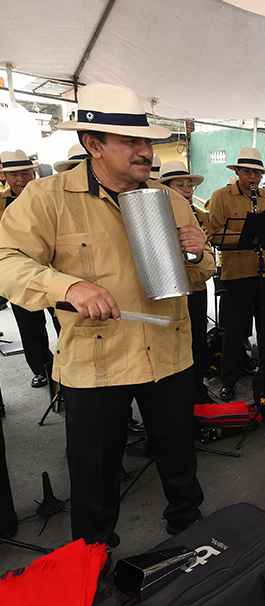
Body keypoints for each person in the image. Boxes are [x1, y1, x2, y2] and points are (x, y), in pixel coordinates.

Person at [0, 83, 212, 546]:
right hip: (97, 367)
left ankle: (192, 546)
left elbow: (202, 268)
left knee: (180, 463)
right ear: (92, 144)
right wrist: (68, 286)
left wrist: (198, 255)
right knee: (95, 479)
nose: (145, 151)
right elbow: (6, 261)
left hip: (170, 355)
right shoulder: (47, 198)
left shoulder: (169, 198)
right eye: (131, 142)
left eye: (147, 141)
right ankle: (94, 569)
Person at [206, 147, 265, 401]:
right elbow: (213, 234)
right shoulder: (221, 197)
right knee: (234, 331)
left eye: (257, 173)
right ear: (237, 172)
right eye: (248, 172)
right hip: (237, 274)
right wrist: (243, 237)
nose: (253, 178)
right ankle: (229, 379)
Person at [0, 150, 58, 388]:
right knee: (29, 328)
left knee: (63, 323)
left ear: (33, 172)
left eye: (24, 173)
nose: (20, 179)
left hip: (55, 272)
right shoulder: (1, 202)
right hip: (21, 275)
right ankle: (42, 369)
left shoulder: (50, 196)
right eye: (14, 175)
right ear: (5, 177)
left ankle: (66, 370)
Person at [160, 160, 210, 403]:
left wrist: (200, 252)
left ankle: (198, 391)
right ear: (166, 188)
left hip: (197, 286)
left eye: (189, 186)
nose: (188, 191)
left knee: (198, 340)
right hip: (172, 293)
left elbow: (208, 254)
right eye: (181, 185)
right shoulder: (159, 213)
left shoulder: (197, 215)